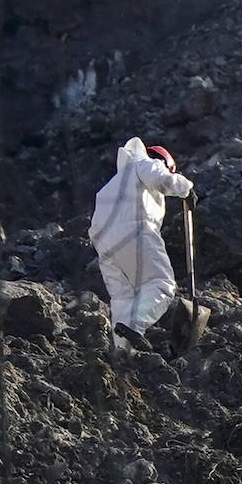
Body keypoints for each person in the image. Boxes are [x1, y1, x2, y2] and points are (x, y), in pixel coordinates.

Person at [89, 138, 196, 352]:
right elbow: (163, 179)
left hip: (103, 244)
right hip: (135, 230)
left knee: (123, 298)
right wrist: (186, 189)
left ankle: (123, 352)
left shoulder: (111, 185)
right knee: (162, 285)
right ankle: (134, 326)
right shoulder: (146, 164)